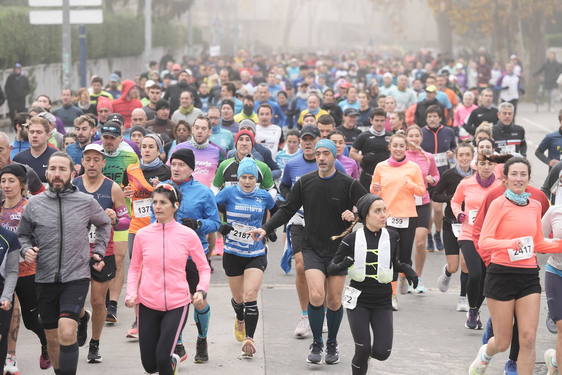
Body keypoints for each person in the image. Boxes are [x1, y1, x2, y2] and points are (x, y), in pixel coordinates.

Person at [250, 139, 367, 365]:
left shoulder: (348, 183)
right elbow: (287, 210)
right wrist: (265, 228)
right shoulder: (305, 183)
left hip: (339, 250)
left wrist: (357, 216)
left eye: (326, 154)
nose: (321, 158)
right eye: (318, 154)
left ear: (334, 157)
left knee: (333, 300)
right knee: (316, 295)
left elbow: (368, 204)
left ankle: (332, 342)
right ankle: (317, 342)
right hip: (311, 246)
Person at [17, 152, 111, 375]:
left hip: (76, 276)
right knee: (53, 338)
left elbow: (104, 224)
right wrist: (26, 249)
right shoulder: (34, 204)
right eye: (53, 169)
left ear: (72, 172)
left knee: (67, 332)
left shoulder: (85, 202)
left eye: (62, 169)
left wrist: (97, 251)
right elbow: (23, 235)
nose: (57, 174)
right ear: (46, 172)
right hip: (44, 277)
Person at [469, 158, 562, 375]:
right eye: (514, 174)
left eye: (523, 174)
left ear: (529, 178)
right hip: (501, 274)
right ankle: (486, 354)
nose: (519, 179)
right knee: (503, 342)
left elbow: (538, 243)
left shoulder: (536, 205)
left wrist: (559, 244)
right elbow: (484, 241)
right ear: (506, 178)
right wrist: (510, 243)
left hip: (529, 276)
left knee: (528, 338)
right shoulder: (498, 204)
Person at [125, 183, 210, 375]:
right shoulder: (142, 235)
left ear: (175, 205)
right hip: (147, 303)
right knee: (150, 365)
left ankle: (168, 360)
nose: (157, 206)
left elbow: (203, 267)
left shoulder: (187, 235)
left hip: (177, 303)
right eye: (155, 202)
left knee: (161, 358)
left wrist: (200, 290)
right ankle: (172, 361)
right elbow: (134, 268)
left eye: (163, 202)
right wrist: (131, 293)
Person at [328, 194, 418, 375]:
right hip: (358, 300)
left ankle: (366, 357)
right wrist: (344, 264)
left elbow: (394, 262)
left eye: (384, 210)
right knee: (362, 349)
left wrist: (408, 270)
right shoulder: (352, 239)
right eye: (378, 211)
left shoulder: (392, 236)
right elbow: (331, 268)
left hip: (383, 300)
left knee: (382, 352)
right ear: (365, 215)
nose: (383, 214)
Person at [162, 148, 220, 363]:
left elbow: (216, 223)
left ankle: (202, 338)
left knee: (198, 302)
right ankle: (177, 343)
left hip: (195, 256)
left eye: (181, 165)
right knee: (173, 304)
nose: (176, 168)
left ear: (191, 168)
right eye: (173, 164)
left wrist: (198, 224)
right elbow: (152, 218)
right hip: (169, 257)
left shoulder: (203, 192)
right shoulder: (163, 189)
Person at [215, 157, 276, 357]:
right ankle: (239, 318)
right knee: (238, 298)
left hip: (255, 253)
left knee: (251, 296)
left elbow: (277, 211)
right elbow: (210, 208)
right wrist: (220, 225)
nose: (248, 181)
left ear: (257, 180)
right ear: (238, 178)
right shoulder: (228, 193)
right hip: (232, 252)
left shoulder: (264, 196)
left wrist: (269, 228)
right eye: (244, 177)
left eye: (251, 178)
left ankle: (249, 339)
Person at [0, 164, 50, 374]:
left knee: (31, 321)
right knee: (8, 317)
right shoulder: (0, 207)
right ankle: (9, 360)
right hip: (4, 274)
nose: (6, 185)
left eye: (11, 181)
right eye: (3, 181)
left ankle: (48, 341)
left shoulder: (30, 206)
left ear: (21, 183)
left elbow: (40, 236)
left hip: (28, 272)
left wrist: (30, 250)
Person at [370, 132, 425, 309]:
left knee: (404, 257)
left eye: (402, 146)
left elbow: (421, 191)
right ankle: (392, 295)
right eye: (395, 145)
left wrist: (410, 185)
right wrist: (375, 188)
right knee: (390, 257)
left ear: (406, 148)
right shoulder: (381, 167)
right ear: (390, 147)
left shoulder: (413, 167)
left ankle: (402, 276)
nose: (399, 149)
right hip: (387, 217)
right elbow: (373, 191)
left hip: (408, 216)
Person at [451, 153, 502, 330]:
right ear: (476, 165)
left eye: (489, 163)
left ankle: (474, 309)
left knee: (486, 277)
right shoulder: (466, 183)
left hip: (490, 237)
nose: (486, 167)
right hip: (469, 234)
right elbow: (455, 201)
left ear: (495, 166)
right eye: (482, 163)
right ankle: (473, 309)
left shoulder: (500, 186)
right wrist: (459, 214)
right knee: (475, 274)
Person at [97, 122, 139, 323]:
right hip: (97, 215)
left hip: (122, 213)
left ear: (121, 139)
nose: (109, 141)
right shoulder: (95, 155)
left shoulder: (130, 157)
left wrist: (132, 190)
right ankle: (103, 296)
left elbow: (137, 183)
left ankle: (112, 304)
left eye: (113, 137)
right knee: (99, 258)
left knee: (118, 258)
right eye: (106, 137)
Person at [432, 143, 473, 312]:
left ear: (472, 157)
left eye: (467, 155)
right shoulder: (449, 175)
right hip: (450, 223)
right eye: (461, 155)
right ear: (456, 157)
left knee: (465, 263)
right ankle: (447, 273)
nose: (464, 158)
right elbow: (435, 194)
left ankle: (463, 297)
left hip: (469, 225)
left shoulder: (476, 176)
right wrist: (452, 198)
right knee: (454, 266)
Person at [405, 125, 439, 293]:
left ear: (421, 138)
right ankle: (404, 275)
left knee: (420, 241)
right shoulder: (401, 156)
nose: (414, 139)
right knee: (403, 244)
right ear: (406, 138)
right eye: (411, 136)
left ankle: (417, 277)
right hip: (403, 203)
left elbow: (436, 175)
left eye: (417, 136)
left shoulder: (428, 157)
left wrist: (432, 179)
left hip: (423, 202)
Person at [420, 105, 456, 251]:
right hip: (426, 177)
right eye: (429, 117)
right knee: (428, 210)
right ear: (426, 119)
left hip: (443, 176)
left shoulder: (448, 132)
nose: (432, 119)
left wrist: (451, 153)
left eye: (435, 116)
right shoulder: (422, 133)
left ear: (440, 118)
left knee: (438, 209)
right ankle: (428, 235)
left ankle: (437, 233)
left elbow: (454, 147)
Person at [212, 130, 275, 194]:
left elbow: (272, 189)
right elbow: (215, 187)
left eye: (247, 140)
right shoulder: (224, 165)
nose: (244, 143)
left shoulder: (263, 167)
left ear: (252, 144)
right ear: (236, 144)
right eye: (241, 139)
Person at [542, 200, 562, 374]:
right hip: (556, 271)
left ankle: (554, 360)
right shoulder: (554, 211)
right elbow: (537, 239)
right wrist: (554, 245)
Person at [350, 108, 391, 190]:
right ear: (371, 120)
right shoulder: (363, 136)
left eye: (382, 121)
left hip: (386, 176)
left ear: (385, 121)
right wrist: (363, 158)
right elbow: (352, 153)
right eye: (377, 120)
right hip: (367, 176)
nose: (379, 123)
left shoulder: (390, 136)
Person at [13, 116, 58, 183]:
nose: (34, 135)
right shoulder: (18, 159)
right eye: (31, 132)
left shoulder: (57, 157)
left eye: (39, 132)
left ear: (48, 135)